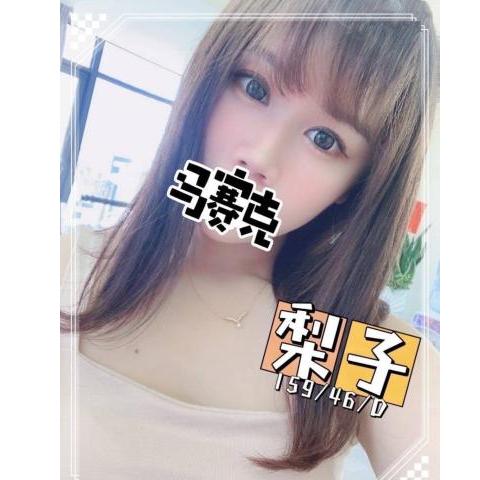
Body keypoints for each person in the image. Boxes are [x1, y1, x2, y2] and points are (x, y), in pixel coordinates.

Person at [60, 0, 440, 478]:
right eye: (254, 88)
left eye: (324, 139)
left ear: (357, 186)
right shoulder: (67, 267)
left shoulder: (337, 343)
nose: (260, 156)